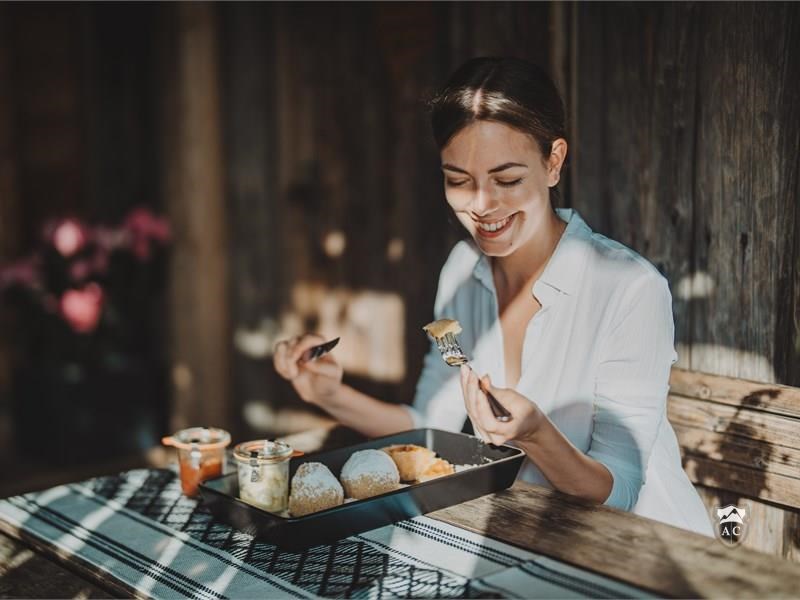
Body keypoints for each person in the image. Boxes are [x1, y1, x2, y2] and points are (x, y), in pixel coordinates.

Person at [274, 57, 714, 536]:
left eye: (507, 180)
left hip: (647, 549)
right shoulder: (463, 271)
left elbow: (621, 490)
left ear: (553, 162)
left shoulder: (629, 288)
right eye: (458, 180)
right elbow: (429, 424)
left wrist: (537, 436)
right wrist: (330, 394)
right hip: (530, 535)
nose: (481, 205)